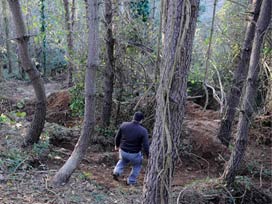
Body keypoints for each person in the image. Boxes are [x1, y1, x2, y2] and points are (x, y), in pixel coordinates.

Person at [113, 111, 149, 185]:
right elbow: (146, 145)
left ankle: (116, 172)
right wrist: (148, 155)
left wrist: (116, 145)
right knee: (137, 165)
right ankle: (131, 181)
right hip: (134, 154)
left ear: (133, 117)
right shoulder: (143, 131)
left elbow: (117, 137)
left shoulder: (124, 125)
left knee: (123, 160)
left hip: (123, 151)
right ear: (141, 120)